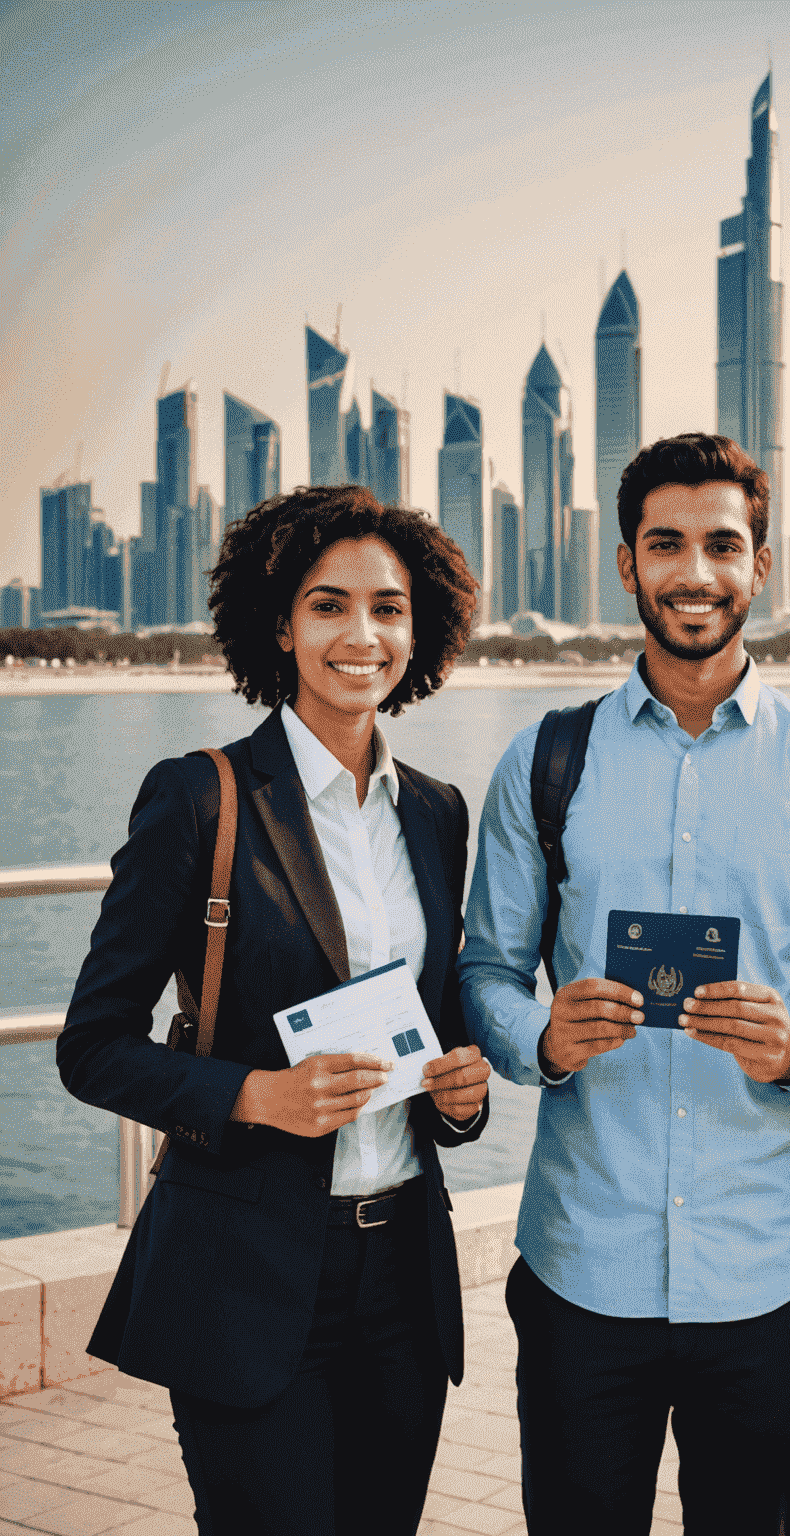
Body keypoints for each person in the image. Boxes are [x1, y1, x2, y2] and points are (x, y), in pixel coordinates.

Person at [459, 432, 790, 1535]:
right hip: (580, 1262)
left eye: (722, 544)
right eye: (667, 544)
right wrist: (540, 1040)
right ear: (626, 564)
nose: (694, 572)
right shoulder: (544, 761)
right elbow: (486, 971)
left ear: (762, 566)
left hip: (769, 1269)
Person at [57, 485, 492, 1536]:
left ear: (419, 626)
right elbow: (92, 1046)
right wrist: (255, 1094)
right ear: (280, 625)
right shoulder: (198, 799)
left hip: (403, 1274)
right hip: (246, 1275)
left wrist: (463, 1095)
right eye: (328, 604)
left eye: (388, 608)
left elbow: (435, 1023)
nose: (362, 634)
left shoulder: (435, 811)